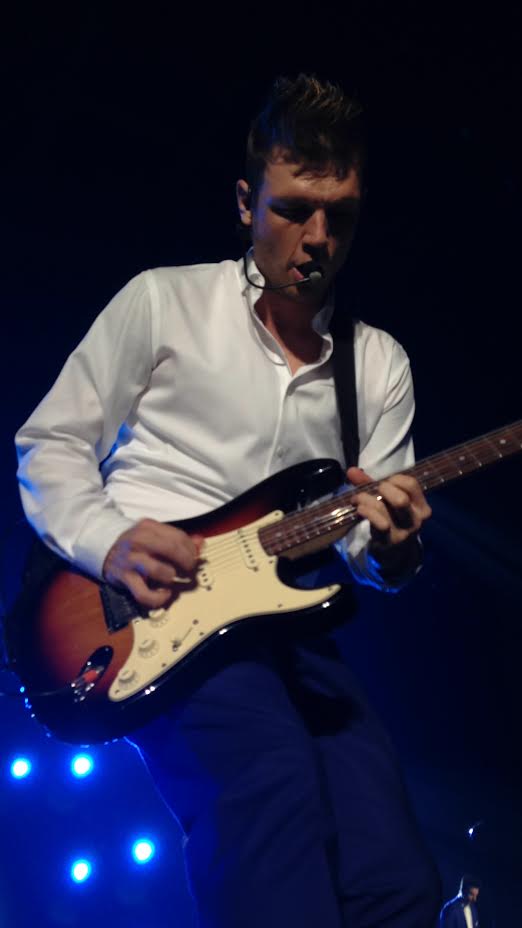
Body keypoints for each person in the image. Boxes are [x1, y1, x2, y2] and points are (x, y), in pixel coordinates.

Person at [15, 74, 441, 926]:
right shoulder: (163, 300)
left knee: (396, 875)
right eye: (293, 210)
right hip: (148, 606)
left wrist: (393, 549)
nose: (317, 239)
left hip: (288, 627)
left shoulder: (378, 366)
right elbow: (50, 442)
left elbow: (367, 547)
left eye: (341, 217)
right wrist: (111, 541)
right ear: (247, 202)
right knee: (268, 789)